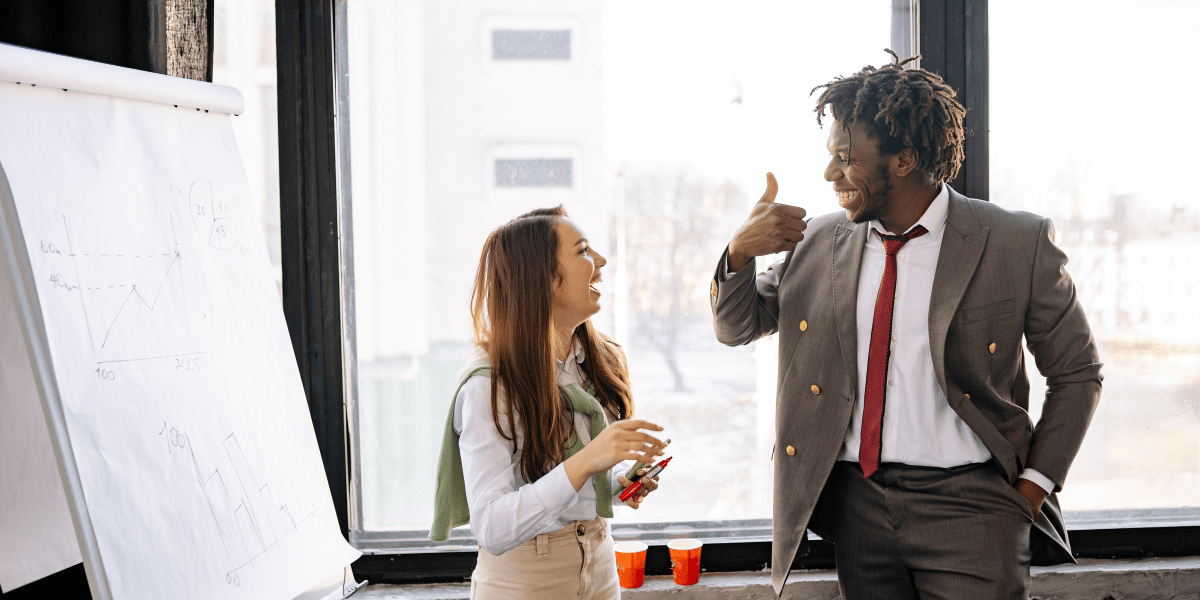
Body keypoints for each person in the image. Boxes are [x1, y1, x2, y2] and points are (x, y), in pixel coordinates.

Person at [710, 51, 1102, 599]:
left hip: (974, 507)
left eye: (845, 158)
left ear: (904, 158)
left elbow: (1079, 372)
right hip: (857, 505)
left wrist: (1032, 488)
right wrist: (738, 255)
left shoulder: (1016, 241)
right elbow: (737, 327)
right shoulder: (819, 243)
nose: (829, 174)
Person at [430, 206, 668, 599]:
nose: (602, 262)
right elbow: (491, 527)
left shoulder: (598, 360)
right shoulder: (488, 385)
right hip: (524, 580)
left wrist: (616, 482)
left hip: (600, 563)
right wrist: (590, 459)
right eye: (584, 251)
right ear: (541, 278)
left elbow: (568, 480)